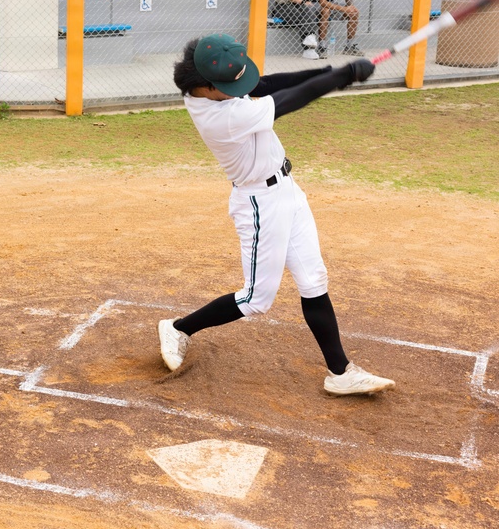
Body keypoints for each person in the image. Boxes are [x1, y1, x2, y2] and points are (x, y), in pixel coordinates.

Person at [162, 33, 395, 396]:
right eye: (230, 85)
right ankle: (178, 328)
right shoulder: (220, 117)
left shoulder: (216, 90)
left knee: (313, 278)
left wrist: (332, 70)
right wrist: (342, 77)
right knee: (257, 299)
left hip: (287, 191)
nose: (239, 88)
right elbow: (288, 99)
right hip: (259, 204)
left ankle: (340, 372)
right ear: (205, 87)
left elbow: (267, 84)